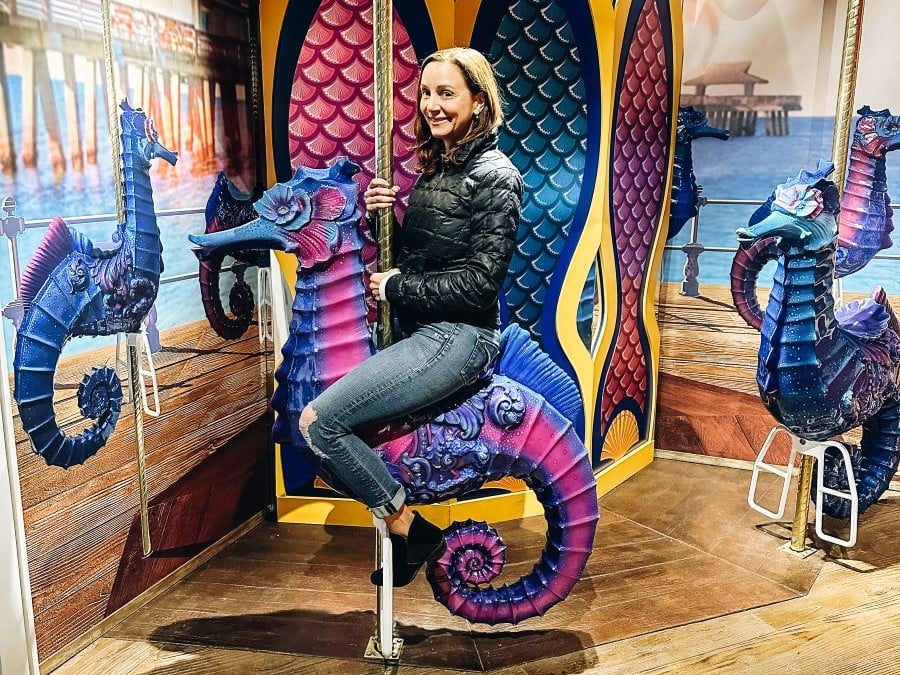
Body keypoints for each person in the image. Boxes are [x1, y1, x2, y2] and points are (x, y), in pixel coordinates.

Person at [298, 47, 523, 587]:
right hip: (425, 330)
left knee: (320, 423)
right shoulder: (437, 168)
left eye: (447, 93)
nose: (432, 105)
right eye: (426, 93)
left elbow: (478, 284)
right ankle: (403, 528)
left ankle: (408, 526)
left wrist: (399, 287)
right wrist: (385, 219)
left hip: (461, 335)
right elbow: (420, 256)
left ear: (478, 100)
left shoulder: (497, 176)